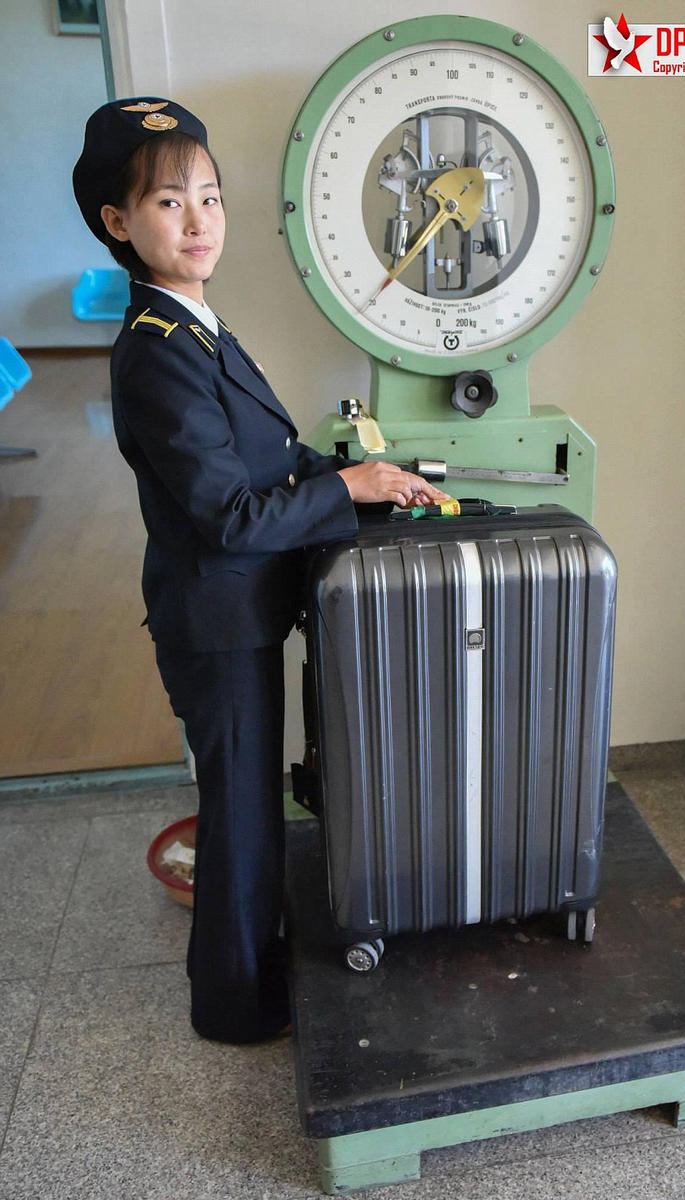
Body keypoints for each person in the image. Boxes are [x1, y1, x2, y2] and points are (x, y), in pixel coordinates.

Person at [72, 98, 449, 1043]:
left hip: (238, 611)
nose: (199, 221)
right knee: (240, 815)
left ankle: (254, 963)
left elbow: (267, 456)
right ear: (118, 222)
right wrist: (346, 486)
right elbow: (232, 515)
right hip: (215, 621)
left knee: (251, 807)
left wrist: (362, 478)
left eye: (209, 196)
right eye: (168, 203)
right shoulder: (156, 353)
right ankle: (234, 1006)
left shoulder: (196, 322)